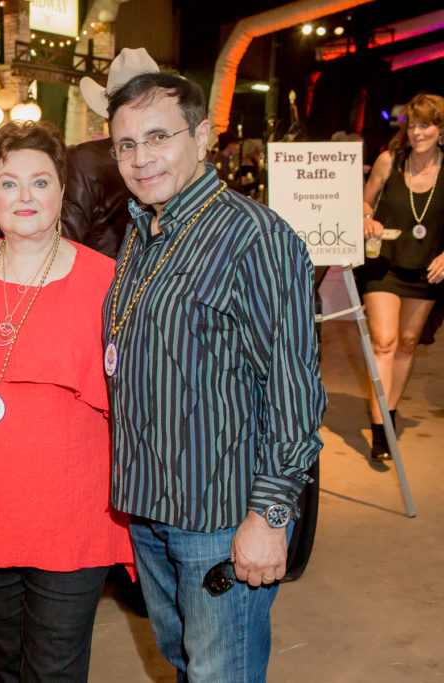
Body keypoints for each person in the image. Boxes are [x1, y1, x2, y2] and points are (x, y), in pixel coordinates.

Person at [103, 71, 326, 681]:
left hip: (220, 517)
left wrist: (271, 516)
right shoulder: (143, 230)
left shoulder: (253, 236)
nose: (141, 158)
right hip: (150, 506)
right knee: (184, 663)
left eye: (158, 137)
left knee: (219, 673)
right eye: (126, 145)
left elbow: (293, 386)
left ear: (201, 137)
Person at [0, 120, 134, 682]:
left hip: (73, 515)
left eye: (40, 182)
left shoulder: (106, 283)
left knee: (54, 671)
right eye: (9, 183)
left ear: (62, 190)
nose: (25, 197)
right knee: (9, 666)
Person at [360, 93, 444, 461]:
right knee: (385, 341)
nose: (416, 132)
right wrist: (365, 217)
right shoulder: (389, 161)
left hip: (428, 271)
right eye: (412, 124)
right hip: (384, 266)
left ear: (440, 129)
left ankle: (390, 412)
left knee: (408, 343)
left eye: (425, 124)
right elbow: (365, 201)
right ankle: (380, 428)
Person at [66, 46, 158, 258]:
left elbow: (68, 242)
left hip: (102, 282)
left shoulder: (81, 160)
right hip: (159, 279)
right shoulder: (171, 156)